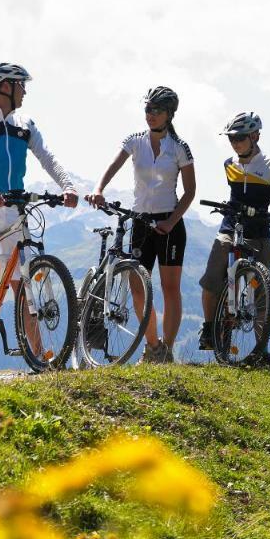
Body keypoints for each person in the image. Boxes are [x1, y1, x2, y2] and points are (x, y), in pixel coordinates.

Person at [0, 63, 78, 376]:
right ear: (6, 86)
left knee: (22, 282)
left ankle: (40, 355)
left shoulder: (26, 124)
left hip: (14, 208)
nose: (25, 91)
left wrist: (67, 185)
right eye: (22, 85)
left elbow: (47, 156)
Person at [88, 85, 196, 363]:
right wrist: (99, 188)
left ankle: (167, 350)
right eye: (147, 109)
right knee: (138, 286)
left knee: (170, 288)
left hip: (170, 224)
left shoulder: (179, 148)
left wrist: (172, 222)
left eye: (157, 110)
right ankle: (152, 346)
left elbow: (190, 192)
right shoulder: (135, 141)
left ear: (170, 114)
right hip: (141, 223)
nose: (150, 114)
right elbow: (113, 166)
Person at [198, 111, 270, 361]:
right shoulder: (229, 164)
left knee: (259, 293)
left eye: (239, 138)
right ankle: (209, 331)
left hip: (259, 232)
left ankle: (261, 351)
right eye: (231, 139)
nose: (235, 143)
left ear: (255, 135)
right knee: (211, 279)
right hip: (230, 227)